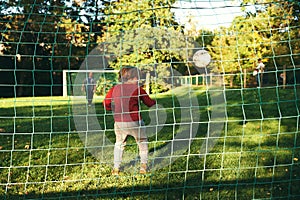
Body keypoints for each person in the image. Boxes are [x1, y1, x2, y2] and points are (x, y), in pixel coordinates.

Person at [103, 66, 156, 175]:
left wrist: (110, 109)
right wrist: (155, 103)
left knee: (119, 144)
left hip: (119, 122)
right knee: (142, 142)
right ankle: (143, 166)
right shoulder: (138, 89)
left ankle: (116, 168)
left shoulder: (115, 88)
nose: (138, 80)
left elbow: (106, 103)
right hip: (135, 121)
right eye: (137, 77)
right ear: (133, 78)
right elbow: (150, 103)